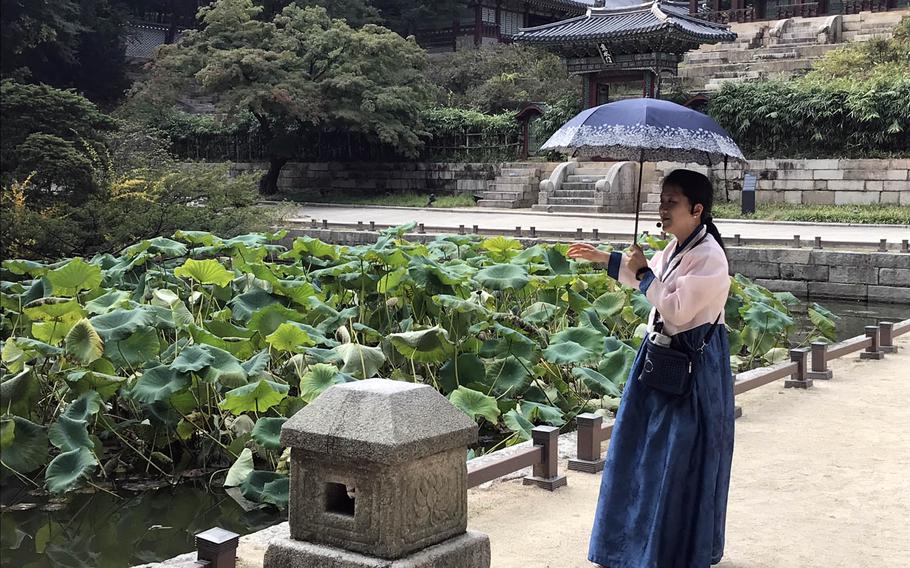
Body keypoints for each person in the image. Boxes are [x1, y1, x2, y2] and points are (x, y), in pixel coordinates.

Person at [567, 169, 735, 568]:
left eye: (671, 202)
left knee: (679, 459)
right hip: (660, 357)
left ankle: (671, 551)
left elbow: (673, 306)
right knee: (640, 451)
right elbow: (647, 279)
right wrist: (603, 258)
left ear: (697, 209)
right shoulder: (678, 246)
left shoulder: (710, 256)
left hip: (692, 367)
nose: (663, 209)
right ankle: (634, 546)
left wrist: (643, 274)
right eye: (661, 200)